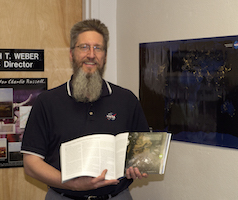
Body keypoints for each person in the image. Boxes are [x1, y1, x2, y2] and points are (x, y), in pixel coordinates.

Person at [21, 19, 150, 200]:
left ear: (104, 56)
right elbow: (31, 163)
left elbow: (142, 153)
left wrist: (138, 166)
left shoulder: (127, 100)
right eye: (84, 47)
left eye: (98, 48)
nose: (91, 54)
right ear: (71, 54)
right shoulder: (47, 102)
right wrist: (73, 184)